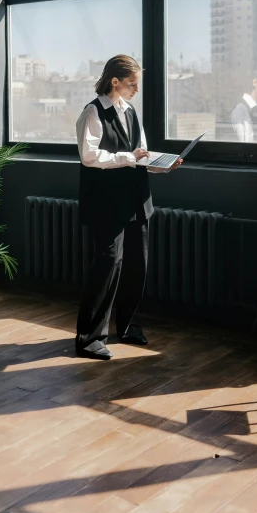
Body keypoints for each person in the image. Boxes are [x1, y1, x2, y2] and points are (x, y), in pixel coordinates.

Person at [75, 54, 181, 361]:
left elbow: (140, 156)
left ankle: (127, 325)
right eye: (132, 84)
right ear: (115, 81)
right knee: (108, 266)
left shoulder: (131, 111)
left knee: (137, 266)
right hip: (107, 203)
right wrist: (128, 157)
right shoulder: (92, 112)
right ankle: (89, 338)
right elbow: (89, 156)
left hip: (137, 200)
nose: (136, 89)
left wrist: (161, 165)